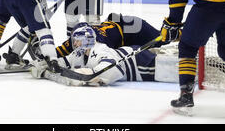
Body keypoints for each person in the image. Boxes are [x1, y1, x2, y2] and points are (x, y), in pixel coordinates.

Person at [31, 24, 179, 86]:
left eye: (76, 40)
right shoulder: (79, 54)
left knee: (175, 70)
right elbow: (63, 63)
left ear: (84, 40)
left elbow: (116, 71)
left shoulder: (100, 49)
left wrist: (93, 74)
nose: (74, 44)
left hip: (140, 64)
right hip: (132, 53)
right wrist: (47, 64)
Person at [51, 13, 165, 59]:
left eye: (77, 40)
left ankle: (181, 32)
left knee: (165, 40)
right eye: (74, 39)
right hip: (121, 30)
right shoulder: (79, 39)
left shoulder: (101, 43)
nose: (75, 44)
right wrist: (45, 58)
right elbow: (58, 52)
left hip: (134, 28)